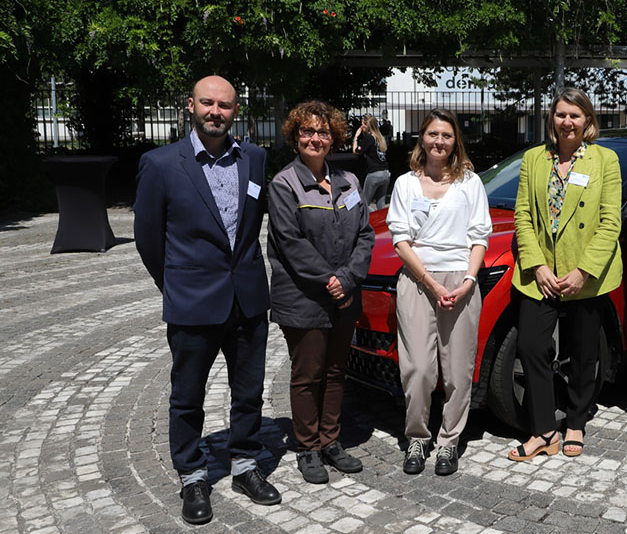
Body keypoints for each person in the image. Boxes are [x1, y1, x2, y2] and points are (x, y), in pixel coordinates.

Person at [133, 75, 280, 525]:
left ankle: (244, 465)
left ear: (236, 110)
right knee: (187, 397)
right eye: (207, 103)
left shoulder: (255, 159)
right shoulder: (161, 164)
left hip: (248, 300)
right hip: (193, 302)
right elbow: (147, 239)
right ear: (191, 106)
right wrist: (176, 284)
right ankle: (193, 474)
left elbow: (255, 224)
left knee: (249, 392)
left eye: (225, 105)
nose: (216, 111)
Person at [509, 88, 622, 461]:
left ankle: (575, 421)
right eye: (560, 115)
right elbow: (522, 216)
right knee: (530, 346)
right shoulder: (533, 159)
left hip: (585, 276)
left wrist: (584, 271)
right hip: (540, 274)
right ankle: (544, 430)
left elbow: (610, 222)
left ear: (588, 120)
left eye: (575, 115)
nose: (567, 122)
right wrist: (537, 265)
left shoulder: (605, 161)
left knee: (583, 352)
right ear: (551, 119)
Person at [267, 101, 374, 484]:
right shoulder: (283, 184)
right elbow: (290, 242)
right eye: (308, 131)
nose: (316, 138)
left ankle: (331, 441)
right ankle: (307, 446)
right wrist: (330, 280)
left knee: (335, 370)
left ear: (334, 138)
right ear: (296, 137)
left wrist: (346, 279)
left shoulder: (349, 182)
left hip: (343, 295)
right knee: (307, 373)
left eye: (323, 132)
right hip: (304, 297)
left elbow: (365, 234)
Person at [387, 109, 491, 476]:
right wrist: (430, 282)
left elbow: (480, 236)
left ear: (455, 142)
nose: (439, 142)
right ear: (422, 138)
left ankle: (449, 442)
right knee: (416, 368)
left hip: (461, 282)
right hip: (418, 282)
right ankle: (417, 437)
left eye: (446, 136)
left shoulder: (470, 183)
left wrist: (468, 281)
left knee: (458, 370)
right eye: (433, 134)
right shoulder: (405, 184)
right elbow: (400, 240)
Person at [353, 115, 390, 209]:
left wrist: (356, 137)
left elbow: (356, 151)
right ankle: (381, 222)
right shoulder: (380, 138)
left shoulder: (369, 138)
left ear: (366, 126)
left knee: (365, 204)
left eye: (362, 125)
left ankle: (371, 220)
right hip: (385, 173)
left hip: (374, 174)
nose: (361, 127)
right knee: (381, 205)